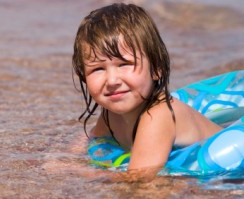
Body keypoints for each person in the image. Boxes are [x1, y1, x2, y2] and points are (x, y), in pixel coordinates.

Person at [72, 3, 222, 171]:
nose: (112, 81)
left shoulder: (158, 115)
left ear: (156, 68)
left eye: (124, 64)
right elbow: (94, 137)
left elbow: (139, 179)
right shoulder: (111, 114)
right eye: (98, 69)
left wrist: (78, 173)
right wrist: (67, 157)